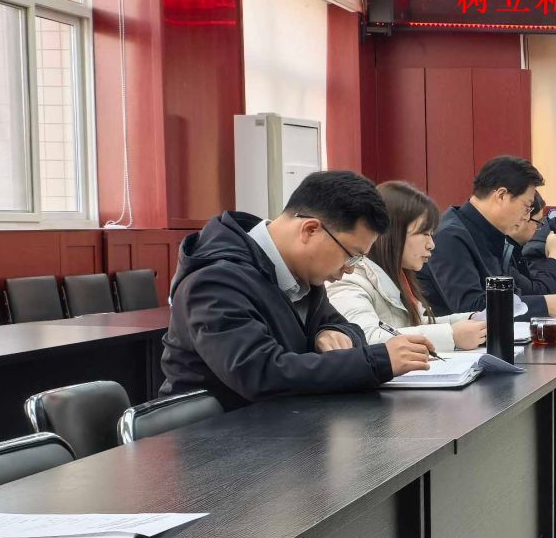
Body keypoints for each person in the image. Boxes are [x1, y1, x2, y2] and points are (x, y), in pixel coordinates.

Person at [161, 169, 433, 408]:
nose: (350, 268)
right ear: (310, 230)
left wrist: (335, 331)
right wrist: (378, 362)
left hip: (280, 429)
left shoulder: (301, 273)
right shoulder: (215, 281)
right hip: (214, 439)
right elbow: (261, 374)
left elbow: (346, 326)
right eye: (351, 255)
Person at [327, 180, 489, 354]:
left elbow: (417, 325)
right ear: (392, 233)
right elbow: (366, 337)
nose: (431, 245)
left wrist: (471, 319)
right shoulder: (350, 280)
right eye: (424, 233)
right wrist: (451, 336)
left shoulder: (400, 276)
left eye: (431, 234)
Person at [421, 154, 556, 320]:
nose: (526, 217)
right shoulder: (450, 236)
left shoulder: (490, 233)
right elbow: (470, 307)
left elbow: (514, 294)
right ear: (501, 196)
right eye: (527, 207)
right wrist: (544, 305)